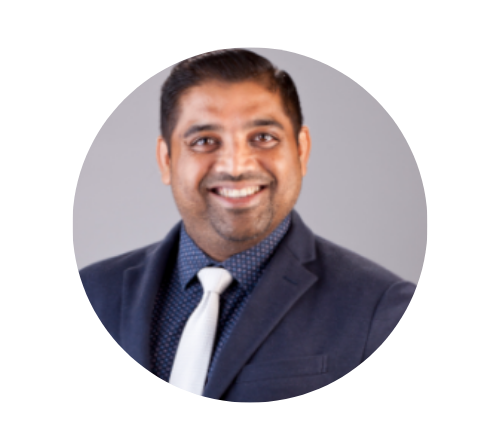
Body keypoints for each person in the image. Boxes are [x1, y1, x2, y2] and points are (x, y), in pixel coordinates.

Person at [79, 49, 416, 402]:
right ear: (166, 160)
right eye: (204, 141)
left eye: (263, 137)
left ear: (301, 151)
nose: (236, 166)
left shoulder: (382, 310)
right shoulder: (94, 292)